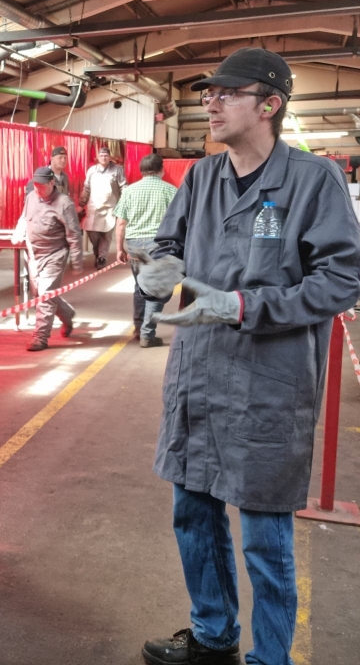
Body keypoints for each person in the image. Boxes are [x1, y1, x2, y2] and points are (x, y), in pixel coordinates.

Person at [135, 48, 360, 665]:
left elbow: (341, 281)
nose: (209, 102)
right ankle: (212, 633)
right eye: (208, 93)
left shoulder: (314, 180)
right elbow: (168, 243)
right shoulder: (203, 178)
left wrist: (244, 307)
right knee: (193, 514)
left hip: (269, 380)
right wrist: (159, 268)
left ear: (270, 104)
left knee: (264, 534)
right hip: (199, 375)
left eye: (227, 93)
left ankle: (270, 656)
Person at [14, 166, 83, 352]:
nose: (37, 189)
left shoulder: (64, 204)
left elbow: (74, 234)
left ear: (52, 183)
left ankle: (40, 337)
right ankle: (67, 314)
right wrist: (19, 232)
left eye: (41, 186)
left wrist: (76, 262)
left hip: (55, 255)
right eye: (35, 185)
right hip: (33, 254)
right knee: (42, 294)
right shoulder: (31, 197)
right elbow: (24, 218)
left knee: (45, 295)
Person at [114, 153, 178, 348]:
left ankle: (138, 327)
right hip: (159, 245)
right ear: (161, 169)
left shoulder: (129, 191)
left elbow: (121, 223)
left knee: (140, 287)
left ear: (141, 171)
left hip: (134, 245)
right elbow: (179, 221)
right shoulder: (171, 191)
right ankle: (147, 335)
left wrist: (119, 249)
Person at [80, 146, 126, 269]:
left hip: (110, 207)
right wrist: (81, 203)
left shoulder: (117, 170)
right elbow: (86, 188)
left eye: (106, 155)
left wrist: (124, 203)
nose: (104, 157)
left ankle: (102, 257)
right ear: (97, 157)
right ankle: (98, 252)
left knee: (106, 234)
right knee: (92, 233)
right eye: (101, 155)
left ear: (109, 157)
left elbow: (123, 187)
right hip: (93, 207)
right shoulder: (91, 171)